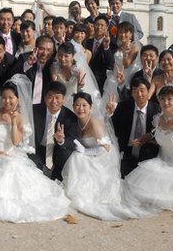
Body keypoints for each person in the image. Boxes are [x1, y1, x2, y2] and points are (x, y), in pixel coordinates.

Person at [0, 76, 70, 223]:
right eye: (4, 98)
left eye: (11, 98)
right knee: (6, 166)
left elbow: (16, 141)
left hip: (12, 153)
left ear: (17, 99)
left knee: (13, 167)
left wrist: (12, 122)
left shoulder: (19, 118)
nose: (7, 101)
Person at [62, 92, 154, 220]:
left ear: (91, 107)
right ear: (73, 107)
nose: (80, 108)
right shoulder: (74, 122)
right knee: (76, 157)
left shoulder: (94, 123)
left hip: (102, 157)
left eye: (84, 105)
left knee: (77, 157)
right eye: (77, 105)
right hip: (89, 154)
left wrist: (85, 152)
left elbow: (106, 148)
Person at [107, 77, 160, 177]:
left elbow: (160, 130)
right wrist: (110, 114)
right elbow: (113, 128)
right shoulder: (123, 107)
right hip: (126, 149)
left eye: (142, 90)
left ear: (148, 92)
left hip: (147, 150)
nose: (139, 94)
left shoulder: (156, 109)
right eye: (135, 91)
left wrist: (149, 136)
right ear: (131, 93)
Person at [30, 81, 78, 180]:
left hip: (57, 151)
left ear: (63, 99)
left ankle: (57, 177)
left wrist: (61, 140)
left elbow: (72, 140)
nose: (54, 101)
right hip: (38, 148)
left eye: (57, 97)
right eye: (50, 96)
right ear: (45, 98)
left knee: (67, 154)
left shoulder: (70, 117)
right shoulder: (34, 111)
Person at [103, 21, 141, 103]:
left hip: (127, 78)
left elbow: (127, 63)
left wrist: (125, 52)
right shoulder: (118, 48)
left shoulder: (134, 47)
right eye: (120, 32)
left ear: (131, 34)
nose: (123, 34)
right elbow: (113, 63)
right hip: (114, 78)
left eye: (125, 32)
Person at [15, 35, 55, 104]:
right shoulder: (24, 58)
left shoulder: (53, 63)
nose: (45, 53)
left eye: (49, 50)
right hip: (24, 103)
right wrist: (28, 64)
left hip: (43, 105)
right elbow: (14, 76)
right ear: (35, 49)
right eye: (42, 49)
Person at [84, 15, 116, 94]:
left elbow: (111, 63)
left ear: (106, 27)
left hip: (102, 83)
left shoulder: (112, 45)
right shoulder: (86, 42)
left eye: (102, 25)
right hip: (87, 81)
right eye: (97, 24)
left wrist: (106, 47)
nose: (99, 27)